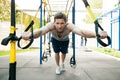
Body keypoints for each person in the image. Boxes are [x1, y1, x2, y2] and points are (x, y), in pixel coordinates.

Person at [22, 12, 108, 75]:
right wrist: (30, 35)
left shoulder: (69, 26)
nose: (59, 26)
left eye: (62, 23)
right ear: (54, 23)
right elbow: (40, 31)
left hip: (65, 40)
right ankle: (57, 66)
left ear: (66, 23)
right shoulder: (50, 26)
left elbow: (81, 32)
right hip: (55, 40)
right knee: (56, 53)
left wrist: (97, 34)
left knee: (63, 53)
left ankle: (62, 64)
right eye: (57, 23)